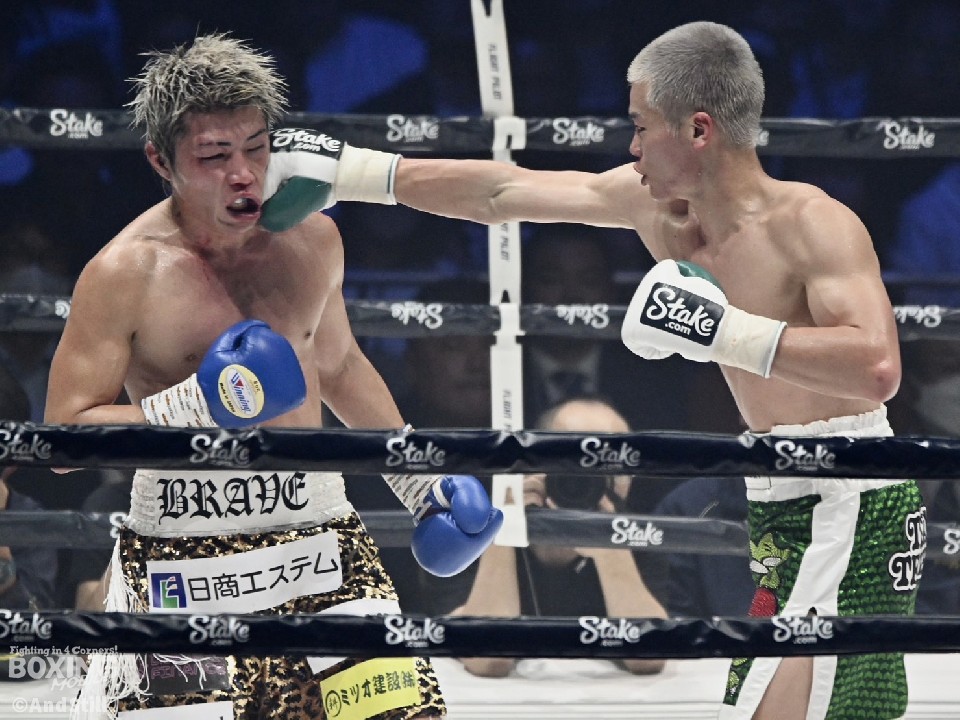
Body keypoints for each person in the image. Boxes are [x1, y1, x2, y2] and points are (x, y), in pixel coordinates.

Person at [261, 19, 923, 720]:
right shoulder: (656, 208)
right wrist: (354, 172)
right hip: (781, 498)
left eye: (641, 126)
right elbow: (502, 193)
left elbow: (877, 367)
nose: (631, 147)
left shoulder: (811, 223)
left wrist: (721, 331)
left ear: (698, 130)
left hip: (849, 496)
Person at [43, 33, 503, 720]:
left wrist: (417, 483)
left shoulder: (313, 238)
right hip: (181, 556)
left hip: (316, 539)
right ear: (161, 160)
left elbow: (338, 365)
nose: (244, 175)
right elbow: (60, 438)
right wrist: (201, 404)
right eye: (214, 156)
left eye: (257, 148)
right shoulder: (126, 273)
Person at [451, 397, 667, 678]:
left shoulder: (640, 536)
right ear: (534, 464)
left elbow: (650, 655)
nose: (587, 477)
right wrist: (503, 522)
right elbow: (488, 658)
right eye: (573, 460)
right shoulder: (470, 531)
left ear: (630, 479)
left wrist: (610, 543)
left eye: (609, 463)